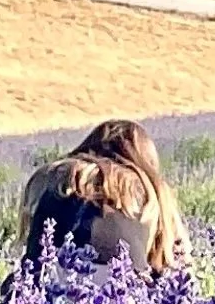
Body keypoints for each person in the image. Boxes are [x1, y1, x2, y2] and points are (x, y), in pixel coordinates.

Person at [18, 119, 189, 278]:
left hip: (57, 285)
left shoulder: (58, 176)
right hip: (128, 294)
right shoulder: (153, 191)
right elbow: (177, 265)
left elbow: (33, 264)